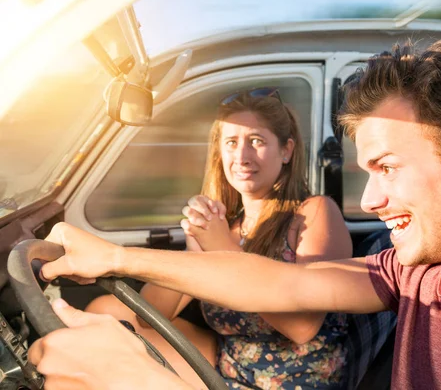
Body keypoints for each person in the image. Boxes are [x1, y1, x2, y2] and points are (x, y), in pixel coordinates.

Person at [35, 39, 441, 389]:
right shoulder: (423, 269)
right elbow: (281, 285)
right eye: (367, 174)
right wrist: (113, 254)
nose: (373, 201)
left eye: (388, 167)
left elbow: (295, 319)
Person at [84, 88, 352, 389]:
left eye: (256, 141)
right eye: (232, 142)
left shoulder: (313, 213)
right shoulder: (228, 226)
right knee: (106, 312)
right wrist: (193, 251)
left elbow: (302, 328)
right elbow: (150, 316)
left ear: (286, 150)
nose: (242, 156)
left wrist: (222, 248)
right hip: (229, 368)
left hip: (298, 380)